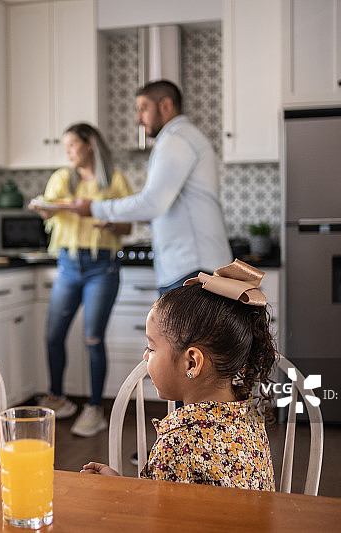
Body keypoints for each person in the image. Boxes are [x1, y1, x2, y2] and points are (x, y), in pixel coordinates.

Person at [81, 260, 276, 490]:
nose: (145, 356)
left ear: (191, 362)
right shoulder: (248, 417)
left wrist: (117, 492)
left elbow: (156, 512)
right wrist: (122, 485)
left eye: (151, 348)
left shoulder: (178, 443)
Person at [68, 79, 232, 295]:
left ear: (165, 106)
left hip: (191, 266)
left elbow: (152, 204)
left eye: (143, 108)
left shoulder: (175, 139)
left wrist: (93, 208)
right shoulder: (181, 137)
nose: (138, 118)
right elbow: (165, 206)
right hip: (190, 265)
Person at [30, 122, 133, 437]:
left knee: (93, 339)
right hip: (68, 265)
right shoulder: (62, 178)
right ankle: (59, 399)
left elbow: (127, 226)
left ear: (90, 144)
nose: (68, 152)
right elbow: (49, 211)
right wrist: (44, 209)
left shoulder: (114, 180)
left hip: (102, 267)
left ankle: (94, 408)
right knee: (53, 336)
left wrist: (109, 224)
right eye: (66, 146)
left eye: (73, 145)